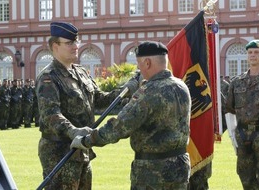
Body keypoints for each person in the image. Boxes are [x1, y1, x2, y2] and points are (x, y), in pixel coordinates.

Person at [71, 41, 192, 189]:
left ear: (147, 63)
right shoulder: (181, 86)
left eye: (139, 64)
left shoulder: (149, 91)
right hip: (180, 165)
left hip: (153, 172)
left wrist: (86, 140)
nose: (138, 69)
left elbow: (119, 127)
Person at [35, 21, 127, 190]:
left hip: (81, 150)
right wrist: (74, 131)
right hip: (60, 152)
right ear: (55, 46)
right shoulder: (49, 77)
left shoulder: (81, 72)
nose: (75, 46)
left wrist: (126, 90)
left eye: (76, 42)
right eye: (69, 43)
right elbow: (50, 115)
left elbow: (99, 99)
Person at [226, 39, 259, 189]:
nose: (252, 55)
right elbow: (229, 109)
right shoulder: (237, 82)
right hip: (243, 135)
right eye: (250, 52)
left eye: (256, 52)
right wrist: (232, 134)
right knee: (245, 175)